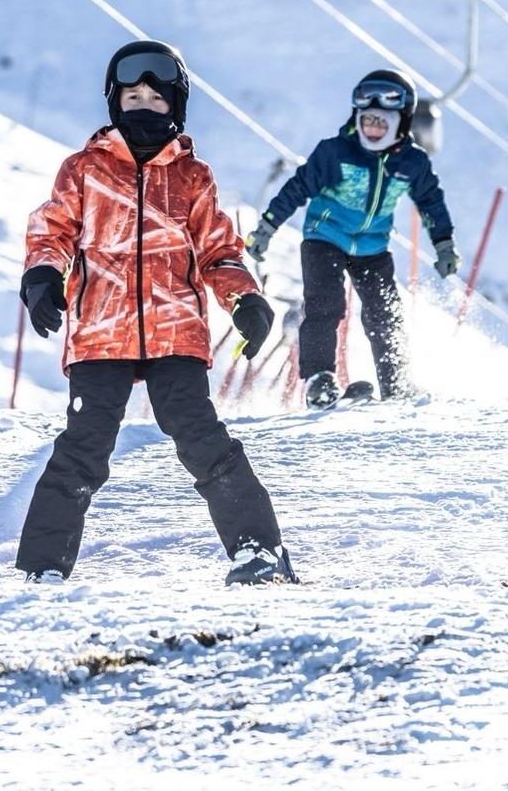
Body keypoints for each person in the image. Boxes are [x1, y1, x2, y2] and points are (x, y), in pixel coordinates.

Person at [15, 40, 297, 586]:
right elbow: (52, 232)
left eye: (156, 98)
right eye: (132, 97)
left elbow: (218, 250)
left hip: (175, 333)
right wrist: (42, 276)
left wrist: (244, 299)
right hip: (101, 333)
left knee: (202, 439)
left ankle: (260, 552)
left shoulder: (192, 177)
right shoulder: (84, 170)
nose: (144, 106)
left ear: (176, 106)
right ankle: (43, 568)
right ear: (114, 103)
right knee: (83, 447)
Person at [247, 70, 456, 408]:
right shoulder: (336, 152)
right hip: (324, 237)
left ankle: (395, 383)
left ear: (401, 122)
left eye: (381, 123)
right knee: (325, 305)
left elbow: (431, 201)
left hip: (373, 246)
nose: (372, 128)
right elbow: (297, 188)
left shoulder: (412, 162)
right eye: (367, 120)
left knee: (384, 312)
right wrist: (267, 227)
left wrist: (444, 244)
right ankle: (319, 380)